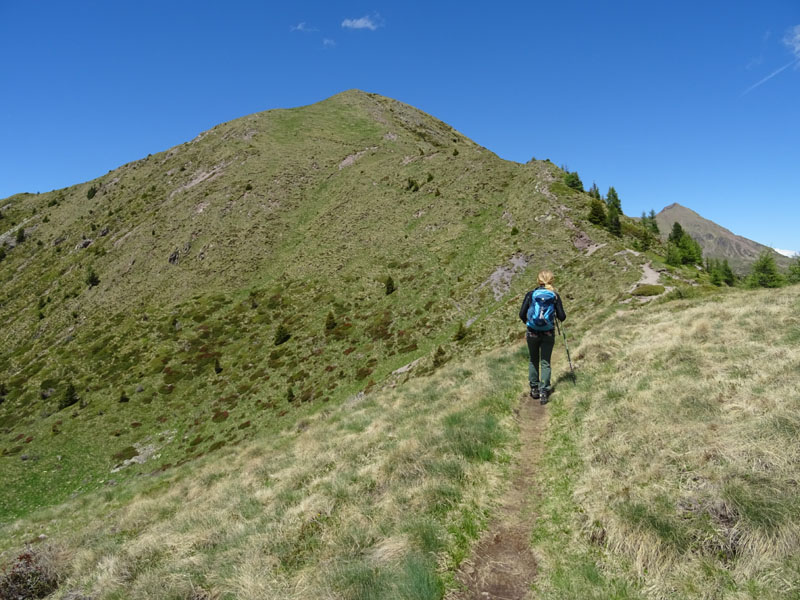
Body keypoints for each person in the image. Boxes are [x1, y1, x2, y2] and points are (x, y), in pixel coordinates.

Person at [518, 270, 567, 405]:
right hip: (548, 333)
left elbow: (521, 314)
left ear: (538, 280)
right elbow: (562, 317)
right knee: (545, 361)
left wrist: (528, 323)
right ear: (551, 281)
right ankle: (544, 391)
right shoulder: (554, 296)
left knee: (533, 360)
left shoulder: (531, 295)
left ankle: (534, 388)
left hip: (532, 332)